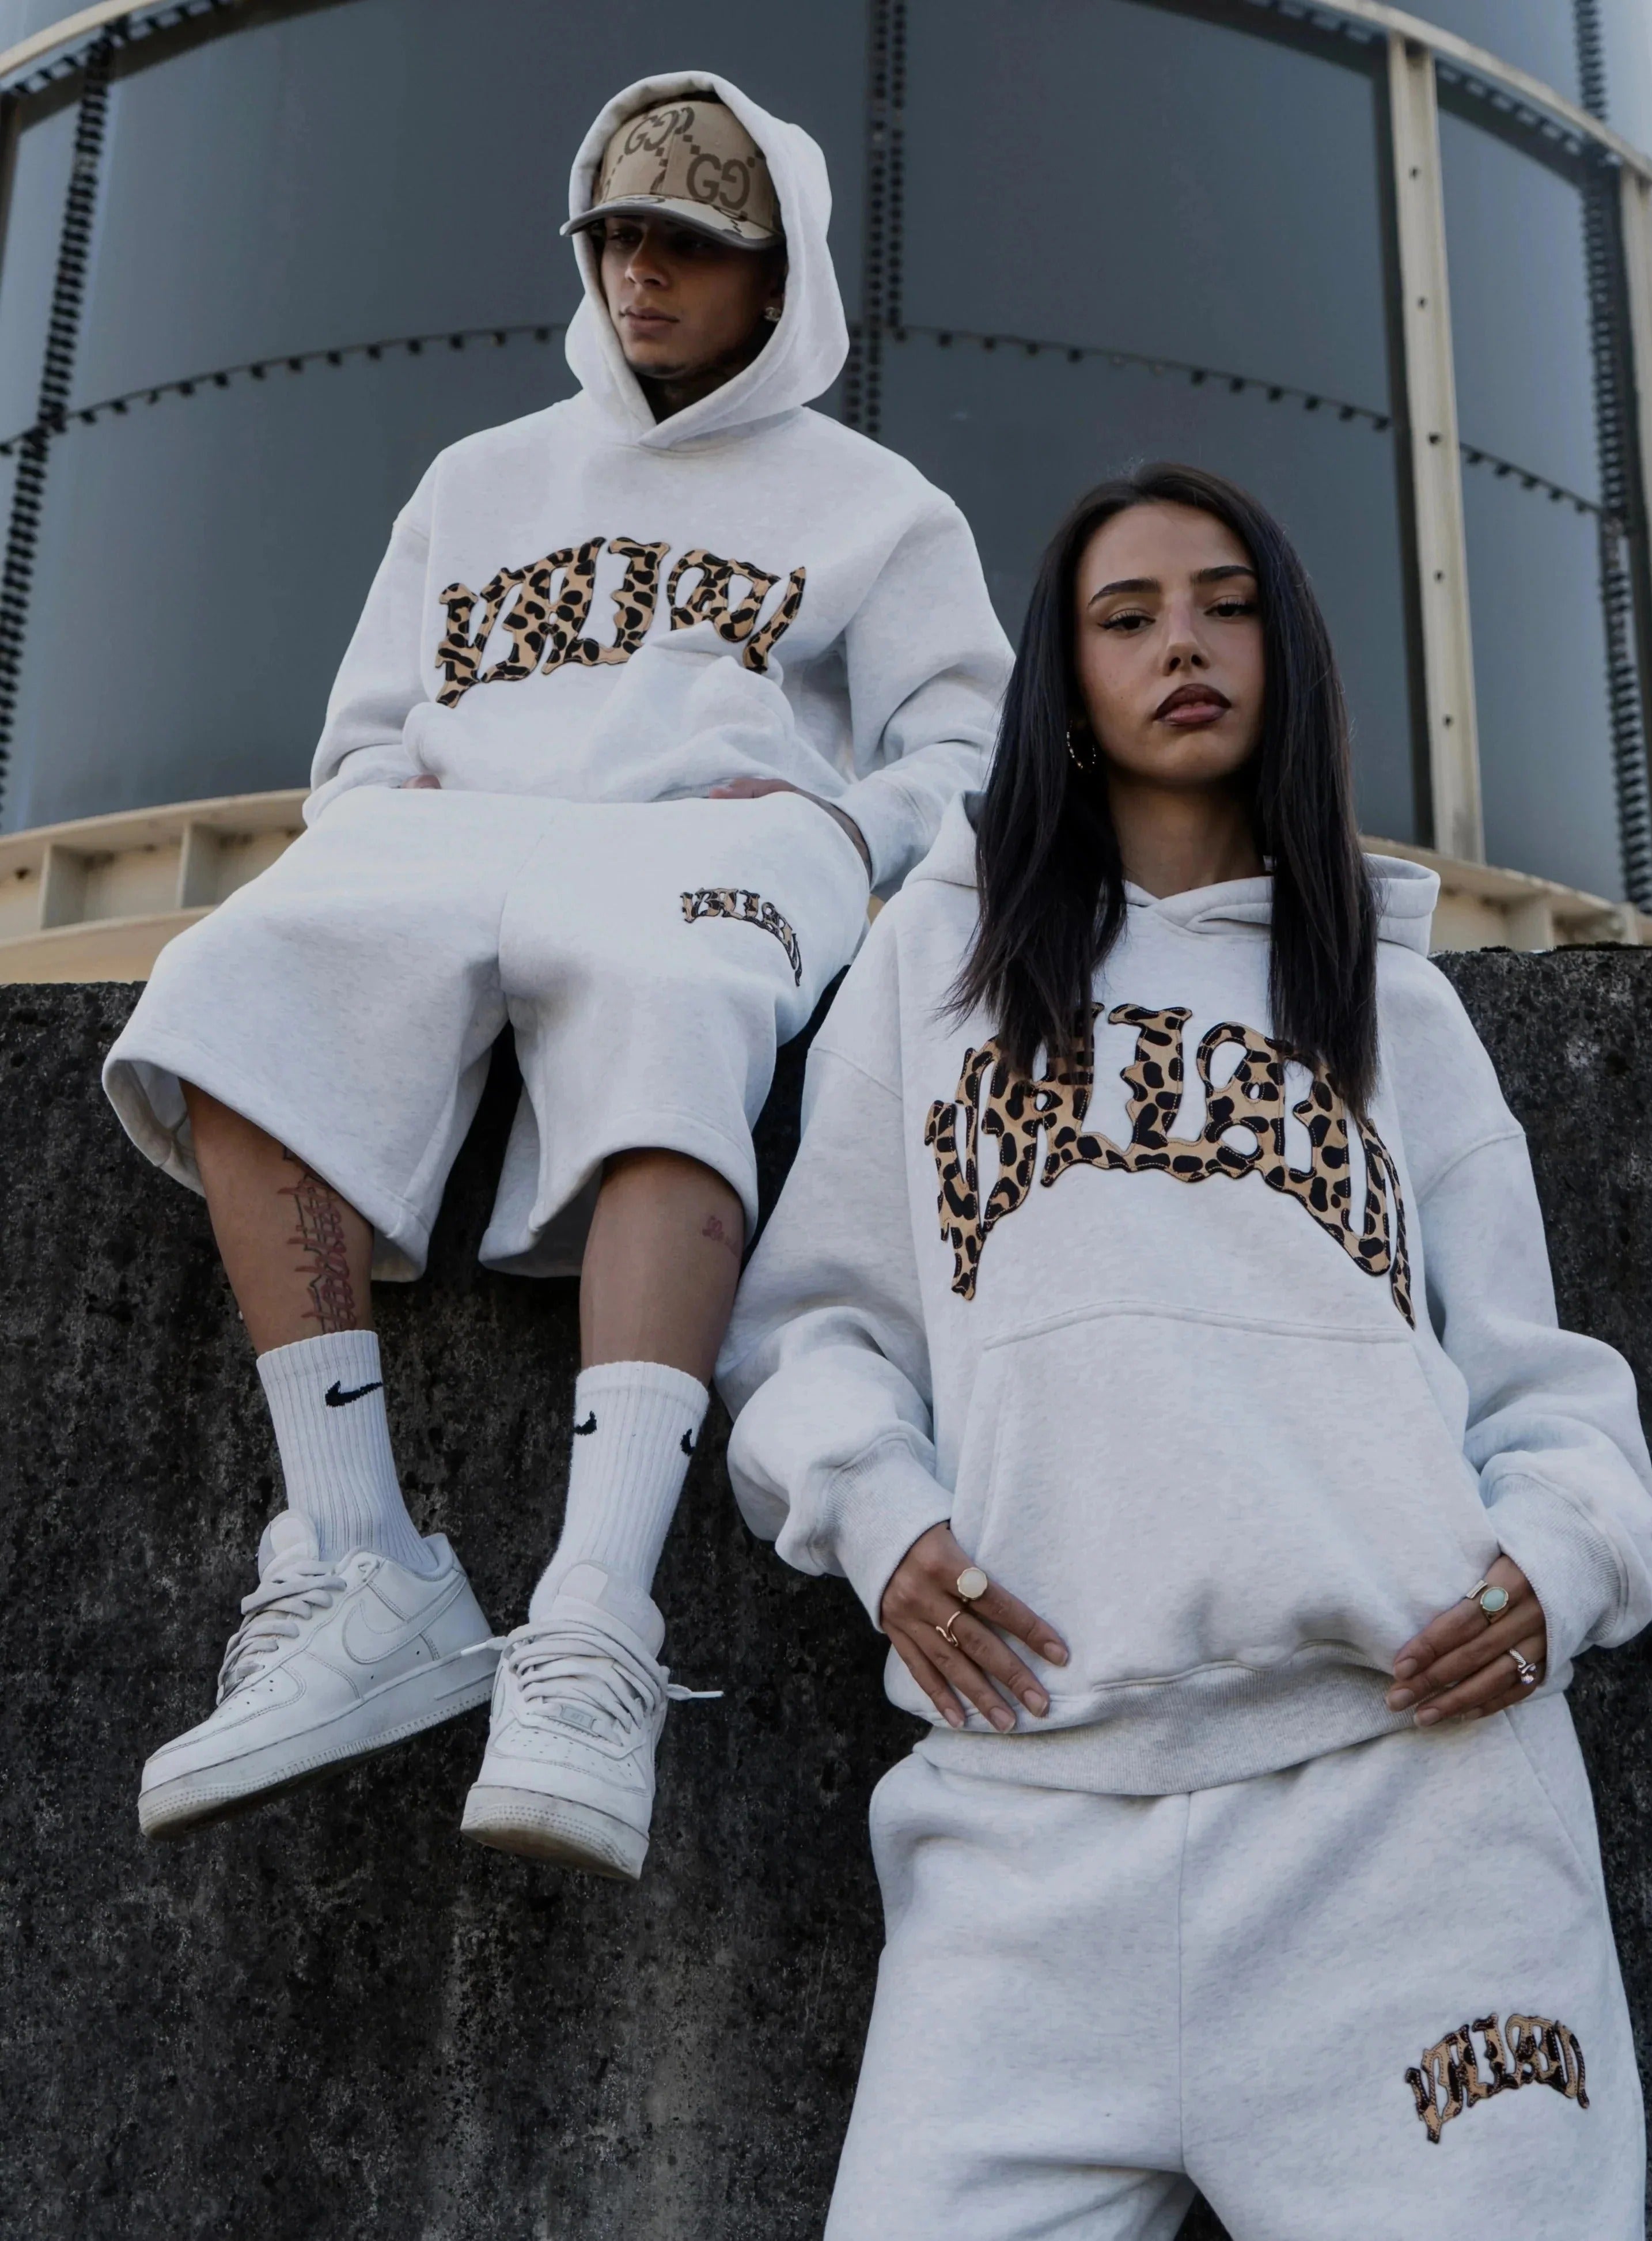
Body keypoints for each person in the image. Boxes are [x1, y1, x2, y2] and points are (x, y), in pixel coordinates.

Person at [718, 462, 1652, 2234]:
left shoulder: (1395, 1005)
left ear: (1289, 650)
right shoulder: (938, 965)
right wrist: (880, 1522)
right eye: (1128, 613)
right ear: (1061, 678)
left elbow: (1553, 1394)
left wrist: (1556, 1561)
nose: (1185, 645)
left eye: (1227, 604)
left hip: (1406, 1817)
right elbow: (811, 1332)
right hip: (1025, 1830)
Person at [103, 72, 1010, 1881]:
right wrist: (405, 816)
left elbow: (969, 753)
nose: (643, 272)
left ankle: (596, 1613)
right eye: (615, 234)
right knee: (238, 971)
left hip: (715, 840)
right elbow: (359, 746)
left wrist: (839, 821)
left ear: (780, 273)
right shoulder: (476, 481)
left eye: (692, 241)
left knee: (684, 999)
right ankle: (360, 1557)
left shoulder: (878, 506)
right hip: (465, 822)